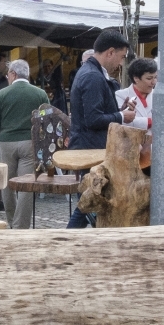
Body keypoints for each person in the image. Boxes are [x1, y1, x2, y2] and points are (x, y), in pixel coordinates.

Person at [66, 29, 134, 228]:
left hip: (90, 146)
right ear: (110, 52)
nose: (120, 63)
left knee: (90, 201)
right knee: (89, 201)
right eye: (121, 57)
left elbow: (95, 113)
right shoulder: (93, 76)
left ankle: (71, 238)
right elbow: (93, 119)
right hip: (91, 148)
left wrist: (118, 110)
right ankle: (68, 239)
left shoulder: (91, 72)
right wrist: (122, 116)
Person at [0, 60, 49, 229]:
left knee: (6, 184)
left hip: (7, 142)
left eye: (8, 74)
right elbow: (46, 120)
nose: (7, 77)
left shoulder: (2, 94)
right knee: (26, 186)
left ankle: (11, 221)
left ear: (13, 74)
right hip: (30, 142)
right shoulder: (40, 94)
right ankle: (21, 226)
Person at [115, 58, 163, 131]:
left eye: (155, 77)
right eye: (149, 78)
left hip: (157, 141)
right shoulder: (120, 95)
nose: (154, 82)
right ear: (136, 78)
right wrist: (151, 122)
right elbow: (119, 121)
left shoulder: (161, 96)